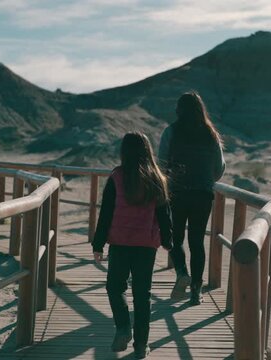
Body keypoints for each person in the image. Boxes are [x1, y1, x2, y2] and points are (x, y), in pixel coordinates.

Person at [92, 132, 173, 359]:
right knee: (142, 295)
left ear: (124, 152)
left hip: (120, 243)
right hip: (146, 245)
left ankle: (123, 327)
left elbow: (106, 213)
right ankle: (141, 346)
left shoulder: (116, 177)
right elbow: (165, 214)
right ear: (148, 151)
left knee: (114, 287)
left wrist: (98, 244)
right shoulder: (157, 178)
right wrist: (168, 241)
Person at [158, 91, 225, 305]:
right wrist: (206, 180)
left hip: (177, 193)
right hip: (203, 195)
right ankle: (196, 289)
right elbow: (219, 167)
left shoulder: (172, 131)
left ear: (179, 109)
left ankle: (182, 273)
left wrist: (167, 182)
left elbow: (161, 162)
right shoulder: (210, 133)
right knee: (197, 241)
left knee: (175, 239)